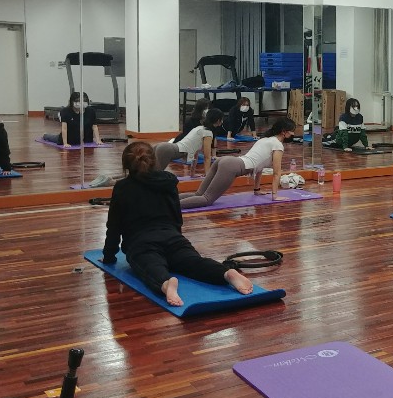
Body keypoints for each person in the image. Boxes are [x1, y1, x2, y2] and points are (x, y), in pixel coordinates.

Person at [100, 141, 253, 306]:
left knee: (150, 265)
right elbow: (176, 216)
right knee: (194, 262)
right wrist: (177, 241)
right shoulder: (168, 181)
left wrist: (109, 256)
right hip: (173, 238)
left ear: (126, 165)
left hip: (141, 243)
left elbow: (113, 226)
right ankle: (226, 273)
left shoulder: (122, 187)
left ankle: (166, 284)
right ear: (154, 161)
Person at [179, 117, 296, 209]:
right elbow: (276, 173)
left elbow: (259, 168)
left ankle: (169, 200)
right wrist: (275, 196)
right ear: (284, 132)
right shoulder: (277, 145)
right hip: (231, 166)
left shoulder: (265, 140)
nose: (293, 134)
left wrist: (257, 190)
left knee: (199, 194)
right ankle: (170, 207)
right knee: (207, 199)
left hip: (225, 161)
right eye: (292, 132)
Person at [153, 108, 223, 177]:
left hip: (163, 146)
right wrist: (208, 175)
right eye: (222, 119)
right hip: (167, 150)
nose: (222, 121)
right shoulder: (208, 133)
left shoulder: (199, 128)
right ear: (218, 120)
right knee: (155, 176)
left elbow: (195, 154)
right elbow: (207, 157)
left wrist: (192, 174)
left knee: (151, 173)